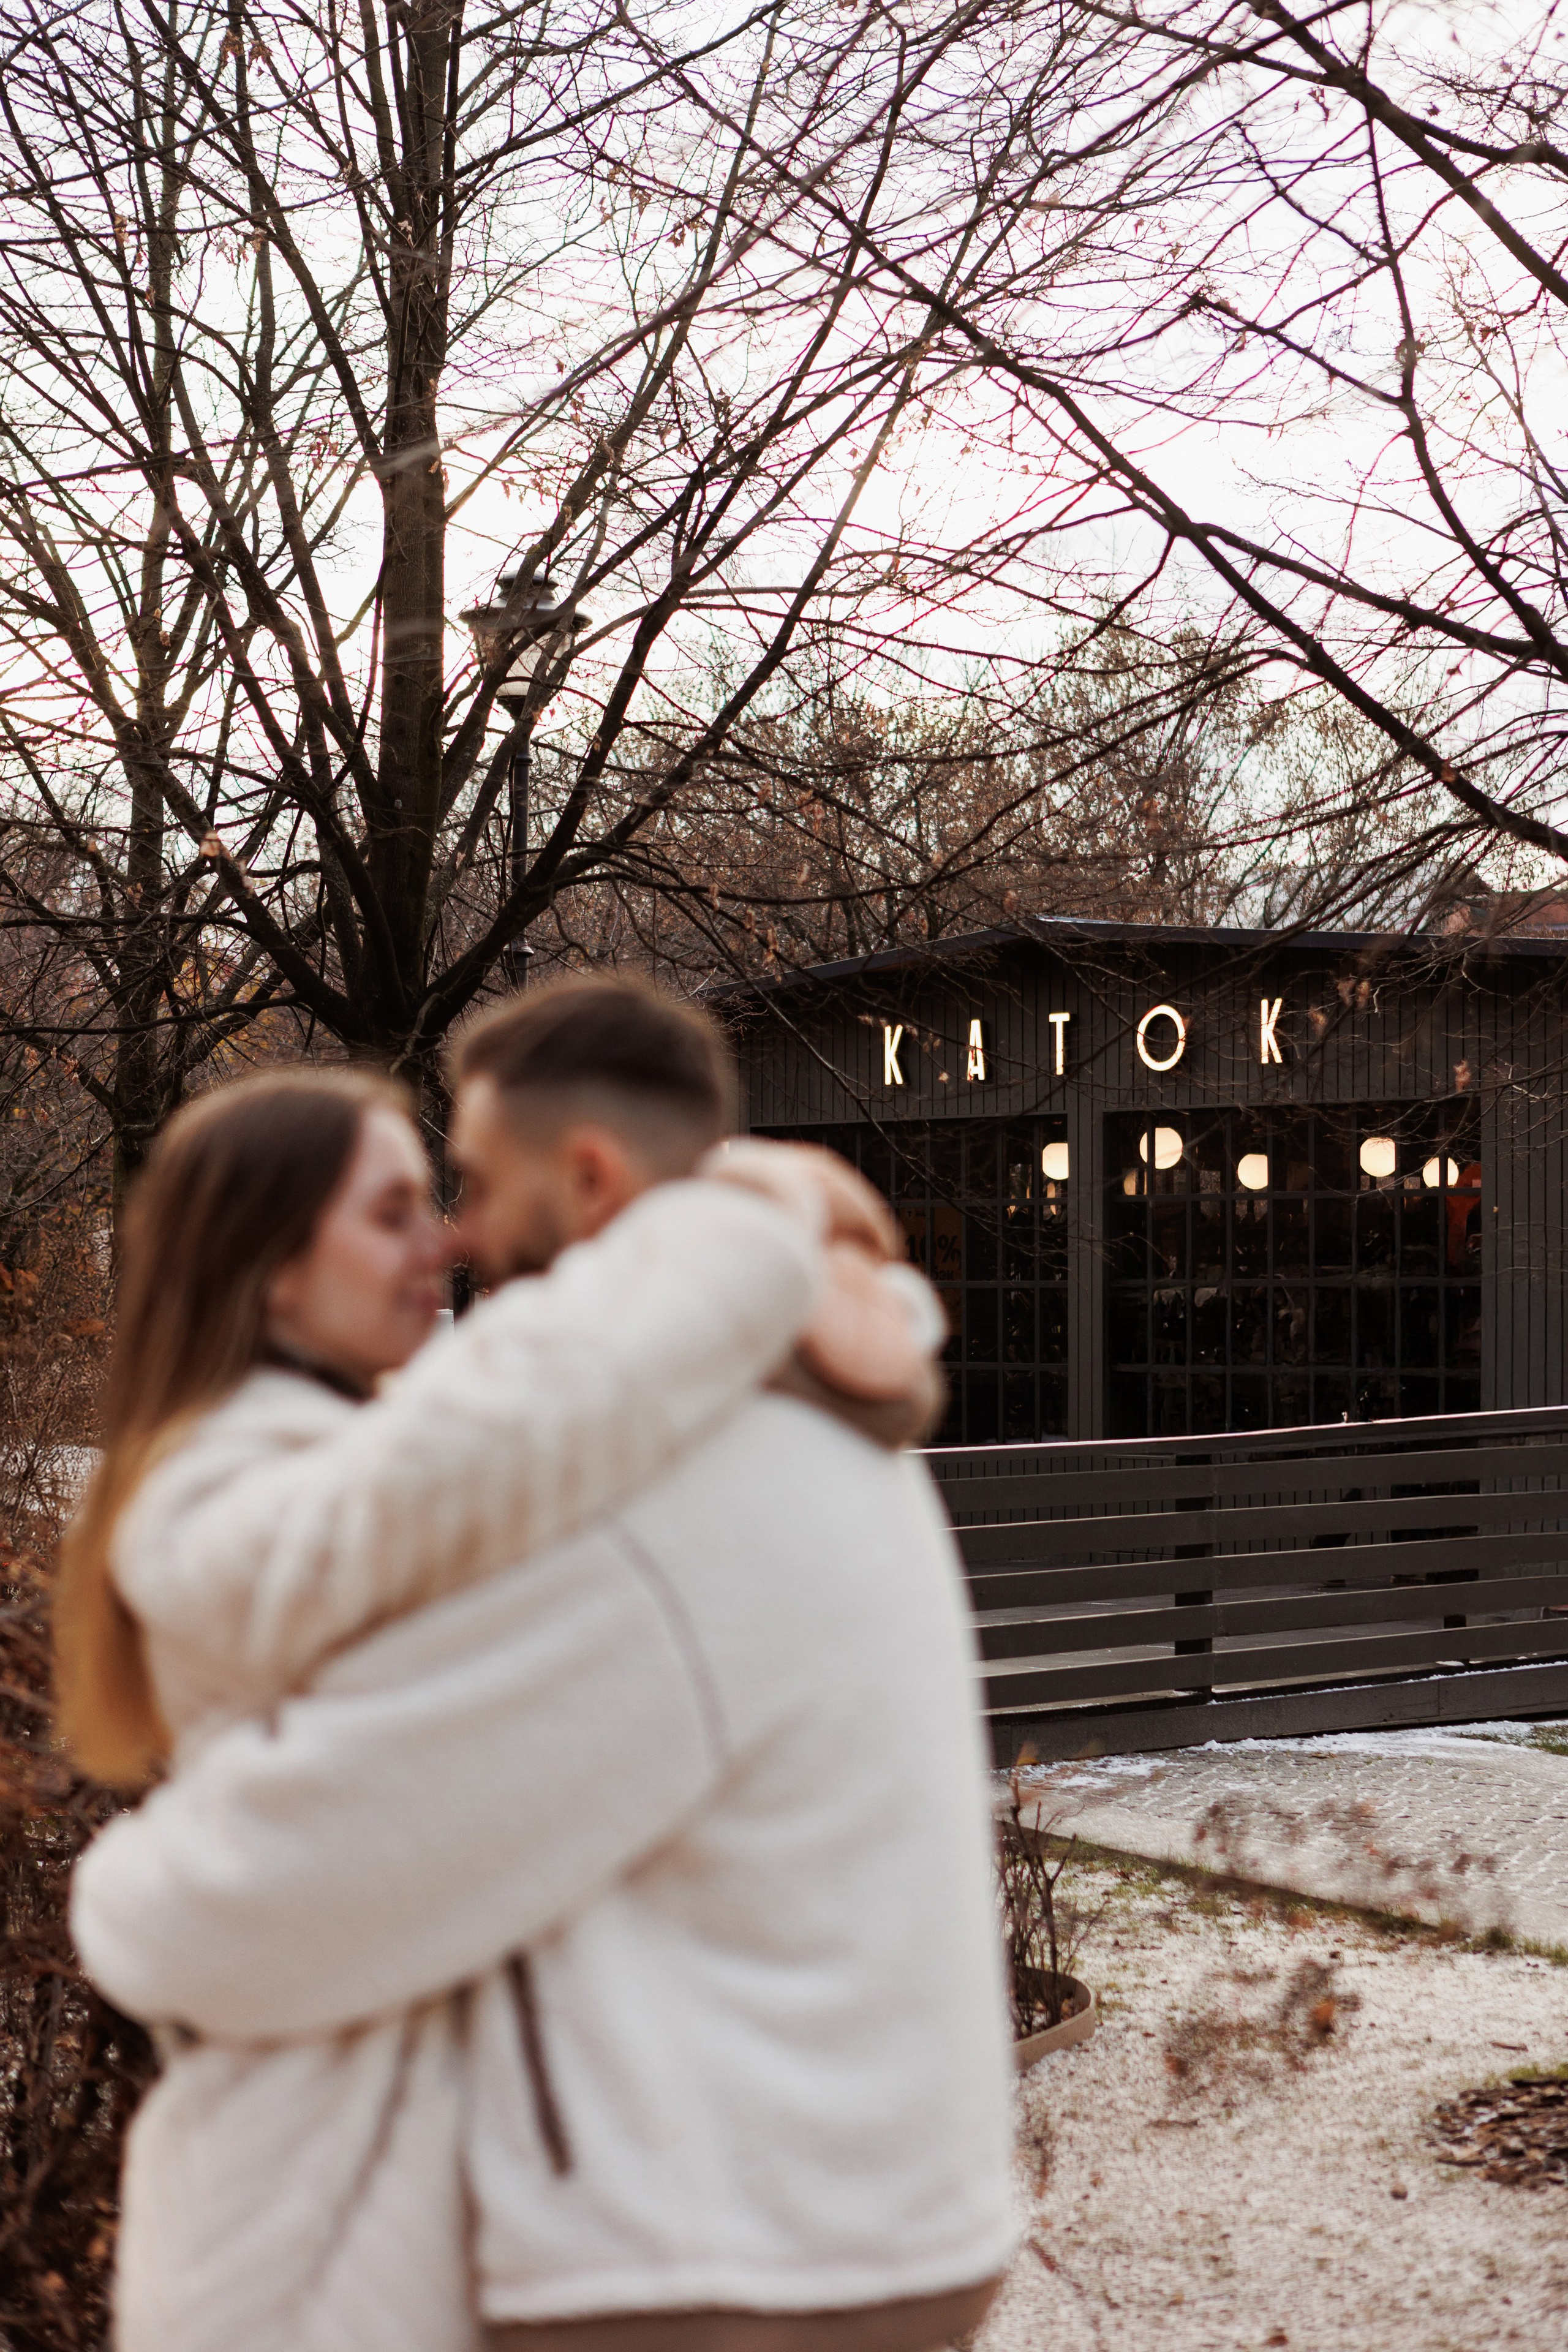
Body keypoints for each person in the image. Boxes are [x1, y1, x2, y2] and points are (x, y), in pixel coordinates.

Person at [72, 981, 1016, 2352]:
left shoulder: (670, 1484)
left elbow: (336, 1863)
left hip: (726, 2251)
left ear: (584, 1179)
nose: (457, 1232)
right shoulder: (787, 1416)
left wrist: (127, 1902)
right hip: (810, 2218)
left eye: (467, 1182)